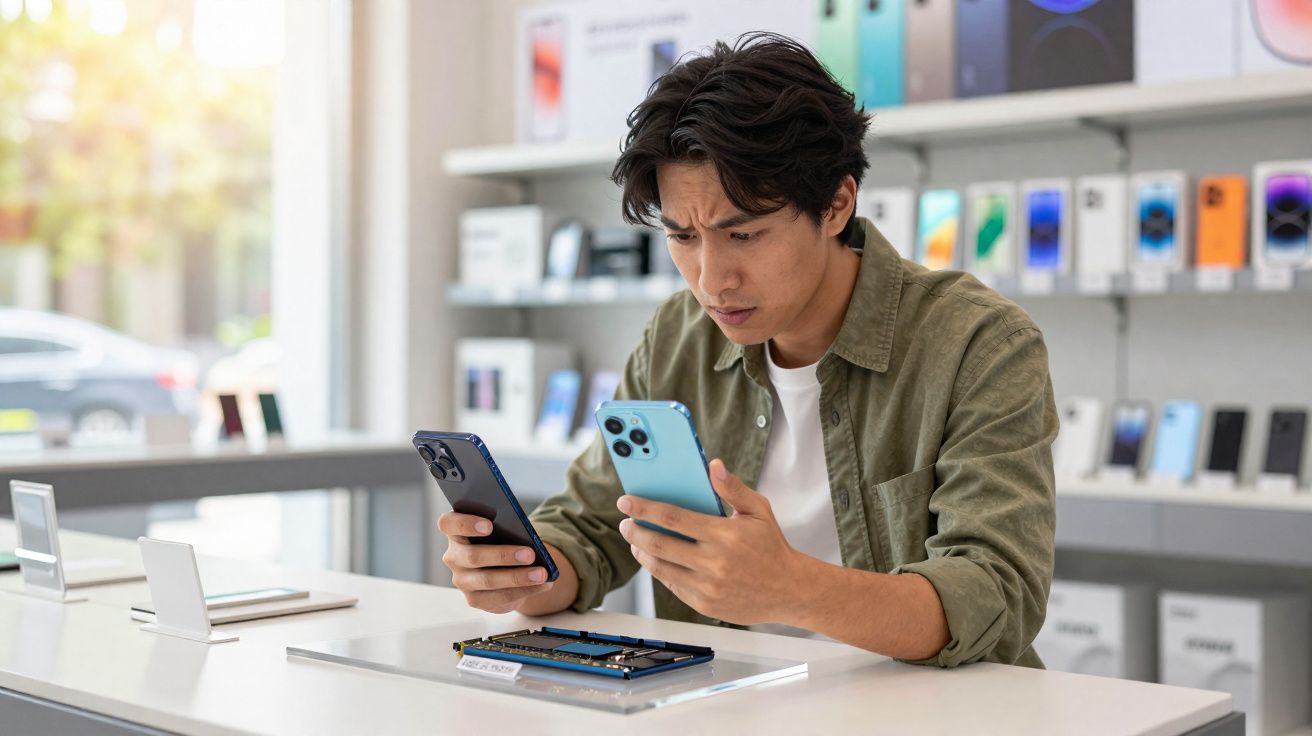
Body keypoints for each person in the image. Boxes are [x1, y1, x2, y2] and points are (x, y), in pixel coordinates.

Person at [437, 32, 1057, 667]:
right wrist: (522, 571)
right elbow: (595, 526)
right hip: (727, 704)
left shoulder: (979, 345)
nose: (712, 279)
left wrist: (792, 588)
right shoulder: (679, 335)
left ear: (837, 203)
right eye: (683, 237)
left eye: (745, 233)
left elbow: (996, 597)